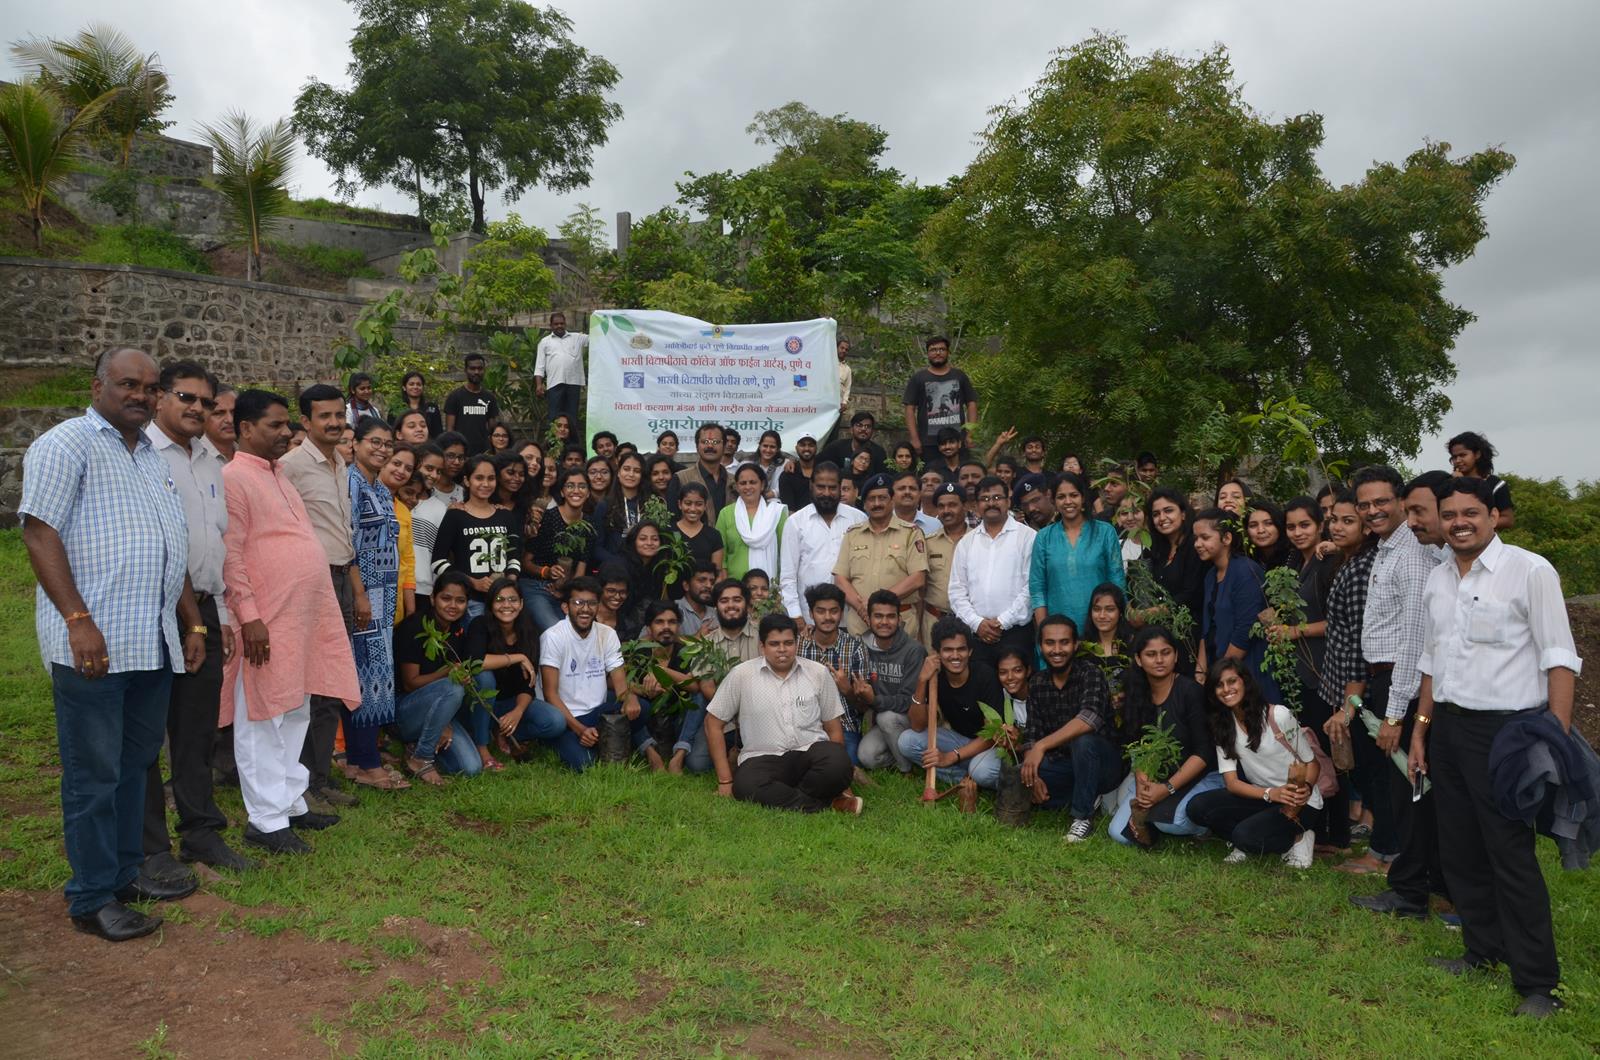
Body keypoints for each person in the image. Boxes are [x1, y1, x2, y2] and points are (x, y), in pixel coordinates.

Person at [21, 348, 207, 940]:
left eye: (150, 388)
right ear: (97, 386)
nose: (141, 396)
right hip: (94, 646)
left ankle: (126, 874)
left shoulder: (149, 453)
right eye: (129, 384)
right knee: (94, 776)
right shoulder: (66, 444)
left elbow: (170, 543)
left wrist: (192, 623)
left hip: (151, 642)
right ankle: (91, 897)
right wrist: (78, 619)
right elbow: (39, 531)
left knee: (134, 767)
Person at [1407, 477, 1580, 1018]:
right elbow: (1433, 658)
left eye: (1471, 513)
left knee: (1510, 853)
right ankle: (1481, 951)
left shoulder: (1530, 570)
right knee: (1459, 848)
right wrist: (1421, 729)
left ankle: (1538, 984)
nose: (1459, 522)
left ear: (1493, 516)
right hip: (1450, 729)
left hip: (1508, 732)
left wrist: (1555, 738)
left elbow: (1559, 657)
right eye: (1450, 514)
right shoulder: (1438, 578)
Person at [221, 389, 360, 855]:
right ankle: (265, 820)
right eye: (275, 426)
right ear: (246, 429)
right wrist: (249, 617)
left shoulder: (277, 473)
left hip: (303, 615)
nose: (287, 433)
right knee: (263, 716)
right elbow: (231, 555)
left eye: (287, 425)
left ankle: (291, 801)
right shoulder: (233, 478)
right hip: (266, 620)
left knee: (296, 708)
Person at [141, 362, 249, 876]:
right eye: (186, 397)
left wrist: (219, 614)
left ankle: (200, 832)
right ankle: (149, 846)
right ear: (160, 397)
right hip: (152, 604)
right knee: (145, 730)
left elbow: (216, 543)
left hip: (204, 603)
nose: (198, 409)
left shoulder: (210, 460)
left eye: (206, 402)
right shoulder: (140, 454)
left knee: (197, 726)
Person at [1343, 465, 1441, 891]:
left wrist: (1396, 713)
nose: (1372, 511)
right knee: (1391, 780)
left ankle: (1407, 869)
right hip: (1383, 678)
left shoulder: (1413, 553)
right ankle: (1395, 860)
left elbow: (1414, 638)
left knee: (1406, 783)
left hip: (1404, 683)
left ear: (1401, 501)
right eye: (1364, 504)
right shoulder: (1386, 548)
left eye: (1381, 501)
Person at [279, 383, 367, 812]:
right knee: (306, 685)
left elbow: (342, 533)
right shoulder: (289, 467)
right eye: (324, 416)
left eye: (338, 415)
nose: (334, 423)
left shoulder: (341, 463)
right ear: (306, 421)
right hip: (310, 584)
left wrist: (356, 588)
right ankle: (299, 781)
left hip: (341, 579)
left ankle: (320, 777)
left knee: (331, 680)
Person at [704, 614, 859, 814]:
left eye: (788, 643)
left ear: (797, 643)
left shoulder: (818, 673)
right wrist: (725, 780)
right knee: (746, 785)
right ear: (762, 646)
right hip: (762, 758)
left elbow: (833, 728)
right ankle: (828, 804)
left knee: (838, 762)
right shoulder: (741, 675)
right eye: (774, 644)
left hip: (810, 754)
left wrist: (841, 780)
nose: (782, 649)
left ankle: (793, 797)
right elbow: (712, 723)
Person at [1187, 661, 1322, 868]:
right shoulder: (1223, 726)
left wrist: (1307, 788)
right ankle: (1251, 840)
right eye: (1219, 685)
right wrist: (1270, 793)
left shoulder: (1278, 715)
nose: (1226, 689)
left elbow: (1312, 763)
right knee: (1197, 808)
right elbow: (1232, 783)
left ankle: (1299, 837)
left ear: (1245, 681)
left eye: (1232, 681)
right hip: (1264, 796)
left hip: (1299, 802)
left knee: (1244, 835)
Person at [1269, 496, 1346, 851]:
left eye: (1305, 525)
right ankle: (1316, 825)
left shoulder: (1329, 561)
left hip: (1324, 669)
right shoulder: (1292, 563)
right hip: (1297, 670)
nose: (1298, 532)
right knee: (1307, 750)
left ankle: (1338, 832)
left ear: (1320, 525)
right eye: (1291, 526)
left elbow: (1338, 621)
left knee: (1330, 750)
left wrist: (1294, 631)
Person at [1104, 627, 1224, 847]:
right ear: (1138, 659)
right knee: (1118, 834)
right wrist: (1143, 783)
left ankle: (1204, 825)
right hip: (1159, 777)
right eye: (1151, 654)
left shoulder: (1190, 692)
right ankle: (1154, 817)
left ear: (1176, 656)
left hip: (1200, 776)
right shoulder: (1136, 693)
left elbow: (1204, 753)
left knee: (1172, 823)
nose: (1159, 660)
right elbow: (1138, 746)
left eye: (1166, 652)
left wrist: (1166, 789)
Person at [1318, 491, 1384, 864]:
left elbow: (1362, 643)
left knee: (1374, 775)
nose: (1337, 527)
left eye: (1348, 521)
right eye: (1334, 520)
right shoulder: (1348, 562)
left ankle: (1384, 850)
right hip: (1344, 687)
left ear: (1366, 527)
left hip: (1359, 693)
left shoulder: (1362, 570)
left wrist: (1349, 706)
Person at [538, 577, 662, 771]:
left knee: (642, 708)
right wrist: (580, 730)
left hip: (598, 712)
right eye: (578, 602)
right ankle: (574, 740)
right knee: (585, 764)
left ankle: (602, 738)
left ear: (598, 606)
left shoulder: (607, 634)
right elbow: (550, 695)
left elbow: (620, 683)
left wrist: (629, 697)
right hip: (566, 717)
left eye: (591, 603)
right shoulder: (553, 637)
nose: (585, 609)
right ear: (565, 607)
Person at [1018, 616, 1122, 841]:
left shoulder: (1090, 673)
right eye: (1050, 643)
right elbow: (1032, 733)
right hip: (1066, 765)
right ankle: (1085, 794)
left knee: (1083, 741)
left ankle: (1082, 817)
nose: (1057, 650)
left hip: (1105, 764)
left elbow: (1089, 719)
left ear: (1076, 645)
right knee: (1020, 774)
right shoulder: (1037, 683)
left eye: (1064, 642)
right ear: (1040, 647)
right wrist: (1032, 775)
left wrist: (1041, 746)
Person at [342, 417, 403, 790]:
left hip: (384, 597)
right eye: (375, 442)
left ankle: (358, 759)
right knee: (365, 675)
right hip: (363, 596)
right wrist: (360, 595)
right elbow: (347, 542)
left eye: (387, 443)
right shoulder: (350, 483)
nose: (382, 449)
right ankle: (366, 762)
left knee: (373, 674)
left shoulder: (379, 486)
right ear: (356, 444)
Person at [392, 573, 486, 783]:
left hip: (440, 707)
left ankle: (417, 745)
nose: (453, 606)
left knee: (470, 768)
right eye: (446, 598)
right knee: (454, 687)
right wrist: (446, 672)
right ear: (433, 598)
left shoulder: (457, 629)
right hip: (404, 711)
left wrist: (445, 720)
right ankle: (422, 757)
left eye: (460, 600)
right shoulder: (415, 627)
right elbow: (410, 684)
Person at [948, 475, 1037, 672]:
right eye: (985, 499)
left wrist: (1002, 622)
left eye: (997, 498)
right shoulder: (966, 542)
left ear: (1008, 501)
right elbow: (956, 590)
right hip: (976, 634)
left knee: (1016, 687)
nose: (991, 503)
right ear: (976, 505)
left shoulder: (1028, 537)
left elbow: (1032, 587)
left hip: (1016, 633)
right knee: (982, 688)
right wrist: (977, 623)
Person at [900, 617, 1004, 785]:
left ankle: (975, 774)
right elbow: (917, 725)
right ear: (937, 653)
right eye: (948, 650)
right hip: (959, 740)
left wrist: (951, 756)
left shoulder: (985, 676)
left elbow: (993, 735)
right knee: (907, 741)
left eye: (961, 649)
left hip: (988, 746)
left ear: (970, 651)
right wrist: (921, 680)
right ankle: (962, 780)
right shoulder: (935, 675)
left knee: (982, 771)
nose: (955, 656)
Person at [469, 576, 564, 758]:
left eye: (512, 600)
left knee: (555, 721)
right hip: (483, 704)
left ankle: (506, 730)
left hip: (512, 701)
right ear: (490, 604)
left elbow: (528, 683)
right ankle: (482, 743)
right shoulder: (480, 625)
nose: (506, 605)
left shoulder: (529, 631)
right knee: (484, 677)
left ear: (521, 604)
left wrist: (518, 711)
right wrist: (517, 657)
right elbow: (475, 662)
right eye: (499, 599)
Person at [1193, 508, 1279, 700]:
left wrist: (1219, 676)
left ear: (1227, 538)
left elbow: (1245, 631)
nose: (1198, 544)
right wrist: (1200, 671)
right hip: (1218, 671)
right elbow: (1206, 628)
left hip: (1246, 672)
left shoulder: (1245, 571)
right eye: (1196, 538)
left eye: (1205, 537)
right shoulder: (1210, 575)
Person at [833, 473, 929, 637]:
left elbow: (918, 578)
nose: (877, 503)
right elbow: (840, 578)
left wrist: (877, 604)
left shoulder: (911, 533)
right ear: (864, 504)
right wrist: (862, 608)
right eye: (871, 499)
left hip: (899, 622)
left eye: (882, 498)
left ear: (892, 501)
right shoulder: (852, 534)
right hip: (860, 622)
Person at [1029, 471, 1124, 634]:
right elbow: (1037, 587)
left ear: (1083, 498)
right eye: (1061, 497)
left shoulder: (1105, 532)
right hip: (1057, 632)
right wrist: (1045, 630)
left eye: (1073, 495)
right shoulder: (1044, 537)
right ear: (1054, 501)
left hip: (1101, 628)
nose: (1068, 502)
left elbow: (1117, 581)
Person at [431, 454, 523, 620]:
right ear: (467, 481)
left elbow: (514, 557)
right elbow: (438, 562)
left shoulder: (505, 515)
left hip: (503, 601)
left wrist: (509, 582)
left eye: (491, 478)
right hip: (470, 601)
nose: (485, 484)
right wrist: (471, 582)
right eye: (479, 478)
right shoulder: (455, 515)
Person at [778, 462, 865, 632]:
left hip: (852, 617)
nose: (826, 493)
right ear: (811, 486)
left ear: (840, 488)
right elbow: (788, 576)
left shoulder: (858, 519)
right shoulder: (796, 523)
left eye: (832, 488)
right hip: (809, 619)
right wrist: (796, 615)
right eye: (821, 487)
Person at [798, 584, 873, 764]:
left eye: (833, 611)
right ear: (811, 613)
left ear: (841, 613)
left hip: (844, 725)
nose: (827, 617)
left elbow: (863, 708)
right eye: (820, 611)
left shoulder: (855, 648)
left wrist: (847, 690)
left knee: (843, 765)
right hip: (804, 725)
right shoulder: (798, 646)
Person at [858, 590, 928, 773]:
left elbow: (907, 701)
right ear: (869, 619)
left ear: (899, 619)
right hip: (884, 721)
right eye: (878, 616)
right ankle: (908, 755)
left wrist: (874, 700)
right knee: (867, 757)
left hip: (911, 719)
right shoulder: (862, 646)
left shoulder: (914, 650)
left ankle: (907, 770)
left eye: (890, 616)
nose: (884, 622)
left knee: (886, 718)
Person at [522, 469, 596, 631]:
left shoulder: (588, 525)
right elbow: (525, 562)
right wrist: (546, 572)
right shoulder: (548, 518)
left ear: (588, 493)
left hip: (565, 591)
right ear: (562, 492)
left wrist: (566, 592)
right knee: (555, 630)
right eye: (570, 486)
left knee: (576, 629)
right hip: (537, 587)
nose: (576, 490)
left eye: (582, 486)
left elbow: (580, 569)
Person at [1141, 487, 1205, 660]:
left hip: (1187, 634)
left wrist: (1153, 612)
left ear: (1183, 514)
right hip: (1158, 637)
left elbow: (1191, 595)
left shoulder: (1196, 545)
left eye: (1168, 510)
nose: (1162, 518)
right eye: (1156, 514)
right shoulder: (1154, 548)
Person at [967, 645, 1035, 792]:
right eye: (1003, 672)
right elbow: (992, 729)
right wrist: (1001, 737)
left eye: (1017, 670)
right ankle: (1017, 789)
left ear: (1028, 670)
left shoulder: (1039, 693)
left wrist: (1020, 743)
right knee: (979, 768)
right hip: (1014, 755)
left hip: (1039, 755)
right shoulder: (1001, 695)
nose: (1010, 677)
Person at [902, 334, 977, 459]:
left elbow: (971, 403)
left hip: (957, 441)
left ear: (948, 352)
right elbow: (909, 409)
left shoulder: (959, 376)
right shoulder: (918, 378)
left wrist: (971, 434)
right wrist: (914, 438)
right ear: (928, 353)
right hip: (929, 443)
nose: (938, 353)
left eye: (942, 349)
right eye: (933, 350)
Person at [716, 463, 788, 580]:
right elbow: (720, 554)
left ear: (762, 485)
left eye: (753, 482)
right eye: (743, 483)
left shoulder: (776, 513)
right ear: (737, 487)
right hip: (735, 585)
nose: (748, 487)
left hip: (769, 585)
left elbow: (786, 552)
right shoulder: (726, 514)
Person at [407, 442, 448, 610]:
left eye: (439, 471)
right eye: (429, 468)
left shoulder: (441, 508)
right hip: (394, 582)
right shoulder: (396, 496)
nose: (434, 475)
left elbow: (441, 553)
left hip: (423, 588)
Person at [1446, 430, 1514, 529]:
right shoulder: (1448, 483)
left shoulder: (1496, 485)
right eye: (1454, 457)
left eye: (1463, 455)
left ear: (1477, 454)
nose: (1458, 460)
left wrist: (1476, 526)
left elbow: (1508, 520)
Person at [593, 451, 649, 566]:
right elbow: (596, 548)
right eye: (626, 469)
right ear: (618, 473)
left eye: (636, 471)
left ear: (642, 475)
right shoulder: (604, 506)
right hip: (615, 569)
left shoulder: (651, 505)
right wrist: (618, 563)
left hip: (645, 567)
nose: (631, 474)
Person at [385, 448, 421, 620]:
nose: (401, 471)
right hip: (364, 600)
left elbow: (408, 561)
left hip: (395, 606)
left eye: (408, 468)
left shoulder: (403, 511)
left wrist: (411, 611)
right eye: (396, 463)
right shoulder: (363, 497)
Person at [442, 352, 499, 455]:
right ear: (466, 370)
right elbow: (450, 430)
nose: (476, 372)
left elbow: (492, 429)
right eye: (472, 368)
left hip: (484, 453)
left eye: (480, 368)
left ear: (484, 370)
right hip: (462, 453)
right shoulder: (455, 396)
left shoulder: (490, 398)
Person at [673, 423, 731, 519]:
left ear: (724, 446)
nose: (710, 446)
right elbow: (673, 519)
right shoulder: (681, 479)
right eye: (704, 442)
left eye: (716, 442)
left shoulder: (735, 481)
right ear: (697, 446)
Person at [702, 578, 762, 665]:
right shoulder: (705, 644)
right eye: (724, 601)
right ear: (716, 607)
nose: (731, 605)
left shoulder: (763, 635)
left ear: (747, 604)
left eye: (737, 600)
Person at [819, 411, 886, 485]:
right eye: (859, 425)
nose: (863, 429)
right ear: (851, 429)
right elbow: (820, 467)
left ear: (872, 431)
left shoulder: (879, 452)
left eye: (868, 426)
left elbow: (883, 478)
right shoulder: (836, 447)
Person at [673, 481, 726, 574]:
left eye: (699, 504)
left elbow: (717, 573)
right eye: (688, 503)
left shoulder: (714, 535)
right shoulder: (668, 532)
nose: (693, 509)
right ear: (679, 504)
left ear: (705, 505)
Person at [392, 370, 443, 437]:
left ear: (423, 387)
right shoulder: (396, 409)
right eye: (411, 384)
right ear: (404, 387)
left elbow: (438, 433)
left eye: (419, 384)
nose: (415, 387)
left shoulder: (432, 408)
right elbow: (392, 432)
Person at [676, 560, 719, 635]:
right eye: (702, 580)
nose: (709, 585)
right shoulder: (673, 610)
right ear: (686, 585)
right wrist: (697, 638)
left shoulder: (717, 614)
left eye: (712, 582)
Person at [778, 435, 820, 510]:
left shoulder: (824, 472)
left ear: (816, 448)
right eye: (802, 445)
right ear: (796, 448)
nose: (806, 448)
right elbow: (789, 509)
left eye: (811, 445)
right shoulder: (787, 475)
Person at [1245, 501, 1290, 570]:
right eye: (1253, 525)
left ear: (1279, 525)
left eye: (1268, 523)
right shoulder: (1245, 560)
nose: (1261, 530)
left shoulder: (1295, 557)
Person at [433, 431, 469, 502]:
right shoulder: (425, 489)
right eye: (451, 456)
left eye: (461, 457)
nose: (457, 462)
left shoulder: (463, 493)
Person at [205, 384, 237, 461]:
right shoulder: (193, 458)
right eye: (219, 413)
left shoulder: (250, 455)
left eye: (234, 412)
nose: (230, 420)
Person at [835, 336, 853, 411]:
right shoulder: (827, 362)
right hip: (824, 402)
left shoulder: (847, 369)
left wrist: (844, 402)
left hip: (838, 406)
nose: (844, 351)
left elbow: (847, 387)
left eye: (846, 349)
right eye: (842, 348)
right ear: (836, 348)